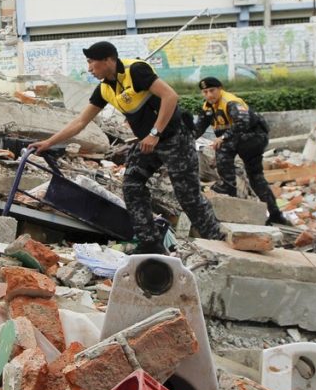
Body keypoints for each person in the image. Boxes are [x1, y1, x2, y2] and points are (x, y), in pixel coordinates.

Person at [31, 42, 221, 252]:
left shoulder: (136, 71)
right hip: (149, 143)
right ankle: (150, 242)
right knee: (131, 184)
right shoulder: (104, 89)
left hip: (175, 137)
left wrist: (154, 133)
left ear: (108, 60)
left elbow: (170, 96)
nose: (89, 69)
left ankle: (217, 240)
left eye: (92, 62)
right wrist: (48, 143)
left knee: (188, 196)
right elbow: (80, 123)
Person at [192, 77, 285, 225]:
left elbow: (243, 122)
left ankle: (228, 188)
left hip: (253, 137)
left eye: (212, 90)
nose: (209, 95)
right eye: (205, 92)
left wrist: (223, 137)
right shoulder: (208, 107)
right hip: (240, 139)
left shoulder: (230, 102)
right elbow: (198, 128)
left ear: (220, 88)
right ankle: (275, 214)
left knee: (224, 149)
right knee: (256, 178)